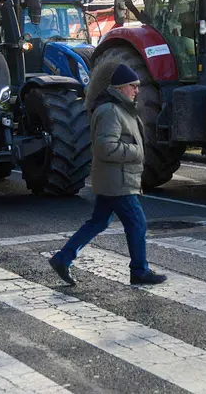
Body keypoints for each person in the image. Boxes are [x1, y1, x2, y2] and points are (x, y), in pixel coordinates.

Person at [49, 64, 167, 286]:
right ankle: (139, 271)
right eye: (133, 86)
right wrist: (136, 151)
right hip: (117, 181)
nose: (136, 90)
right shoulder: (111, 111)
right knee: (137, 223)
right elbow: (105, 147)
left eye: (137, 86)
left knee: (98, 222)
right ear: (121, 87)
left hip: (115, 179)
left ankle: (63, 258)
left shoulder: (122, 109)